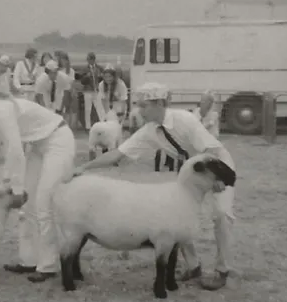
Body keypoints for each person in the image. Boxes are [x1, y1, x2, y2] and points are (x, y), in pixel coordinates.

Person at [71, 82, 236, 291]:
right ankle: (194, 266)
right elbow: (117, 155)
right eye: (139, 105)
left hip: (218, 167)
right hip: (192, 171)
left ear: (159, 103)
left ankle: (222, 270)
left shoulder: (184, 120)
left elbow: (212, 150)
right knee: (178, 217)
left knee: (221, 214)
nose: (140, 111)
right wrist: (84, 167)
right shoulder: (149, 131)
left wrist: (218, 179)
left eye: (144, 106)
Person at [0, 70, 76, 283]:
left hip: (58, 140)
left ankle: (48, 266)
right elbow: (6, 146)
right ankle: (29, 260)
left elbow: (15, 151)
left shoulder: (0, 109)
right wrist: (12, 183)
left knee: (43, 202)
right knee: (28, 207)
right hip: (39, 144)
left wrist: (13, 186)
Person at [80, 52, 103, 130]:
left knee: (99, 108)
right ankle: (88, 126)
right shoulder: (84, 69)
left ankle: (103, 123)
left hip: (96, 91)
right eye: (89, 59)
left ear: (94, 60)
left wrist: (101, 77)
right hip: (88, 91)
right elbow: (82, 81)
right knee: (88, 109)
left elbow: (103, 79)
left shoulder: (99, 68)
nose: (90, 61)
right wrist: (86, 76)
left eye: (91, 59)